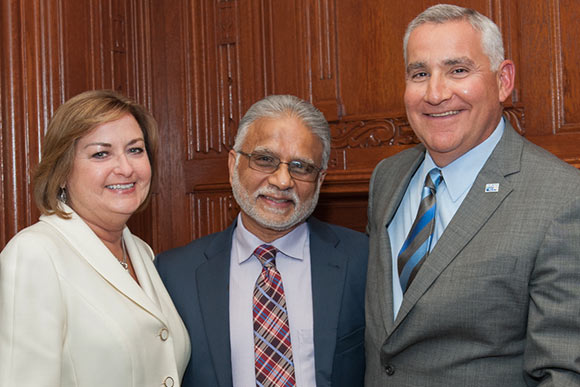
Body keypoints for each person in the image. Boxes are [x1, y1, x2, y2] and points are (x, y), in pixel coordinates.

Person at [365, 4, 580, 386]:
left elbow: (563, 372)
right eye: (420, 73)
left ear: (503, 80)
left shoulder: (561, 198)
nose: (434, 93)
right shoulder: (387, 177)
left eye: (458, 70)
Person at [156, 94, 368, 387]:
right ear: (233, 165)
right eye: (265, 160)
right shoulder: (174, 274)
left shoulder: (364, 261)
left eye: (301, 166)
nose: (282, 181)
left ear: (320, 180)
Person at [0, 90, 190, 387]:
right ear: (62, 171)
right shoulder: (34, 253)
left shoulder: (141, 251)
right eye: (101, 153)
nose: (126, 168)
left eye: (135, 150)